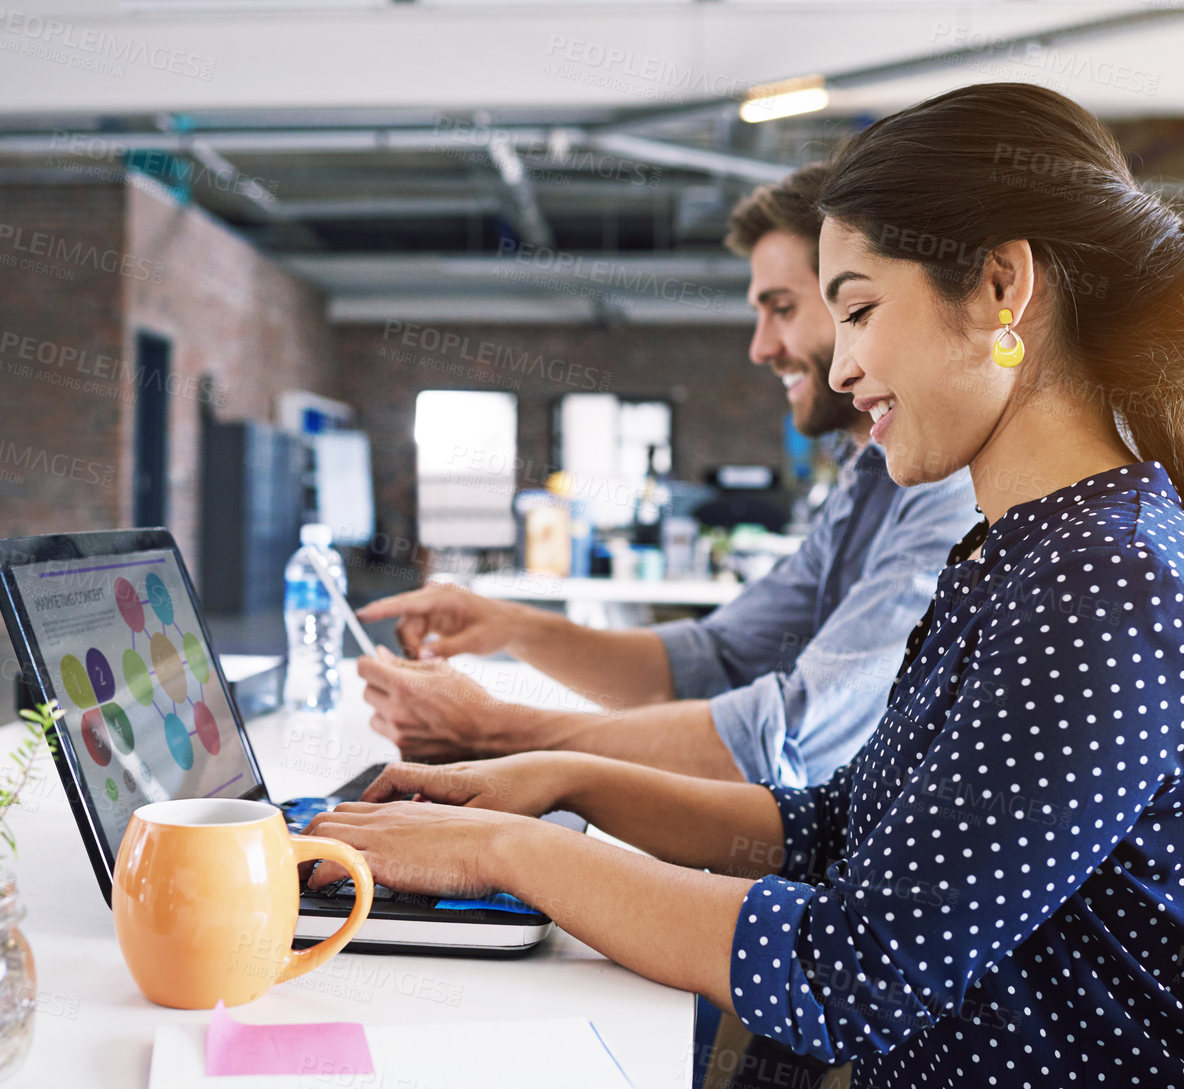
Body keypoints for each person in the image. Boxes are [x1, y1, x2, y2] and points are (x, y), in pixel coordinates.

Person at [306, 82, 1184, 1087]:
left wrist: (510, 848)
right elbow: (834, 830)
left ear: (1002, 288)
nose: (837, 366)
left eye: (860, 308)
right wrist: (557, 782)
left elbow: (850, 975)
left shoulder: (1106, 585)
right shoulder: (1023, 552)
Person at [354, 166, 979, 786]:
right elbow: (710, 664)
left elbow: (792, 737)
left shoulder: (959, 494)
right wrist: (512, 624)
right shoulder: (870, 478)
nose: (761, 348)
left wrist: (495, 730)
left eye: (785, 308)